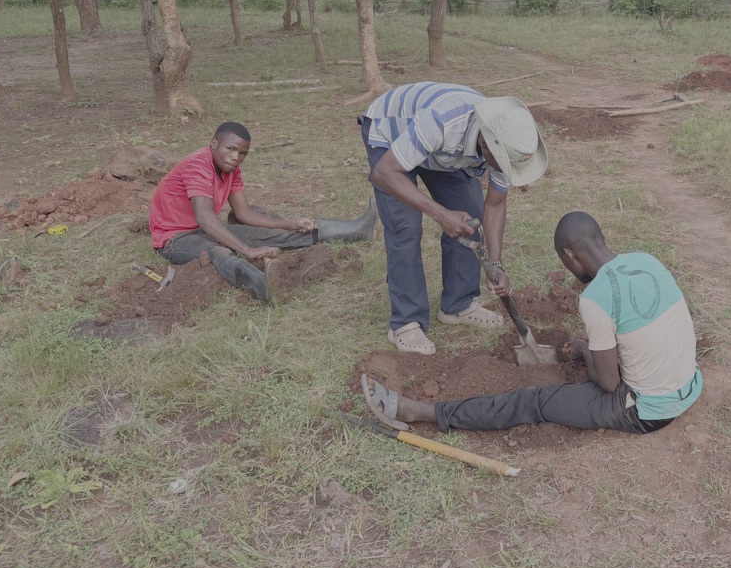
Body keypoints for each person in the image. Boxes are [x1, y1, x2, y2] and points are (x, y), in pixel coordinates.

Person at [361, 211, 702, 435]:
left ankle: (422, 411)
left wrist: (584, 350)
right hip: (688, 385)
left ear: (570, 255)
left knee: (532, 401)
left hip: (646, 410)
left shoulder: (596, 298)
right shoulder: (645, 261)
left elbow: (610, 384)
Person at [358, 82, 548, 355]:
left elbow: (494, 206)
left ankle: (458, 305)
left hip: (441, 151)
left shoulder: (506, 143)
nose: (508, 171)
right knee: (406, 226)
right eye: (504, 165)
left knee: (469, 216)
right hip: (391, 134)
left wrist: (496, 264)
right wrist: (441, 214)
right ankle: (406, 322)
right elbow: (384, 173)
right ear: (486, 145)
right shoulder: (443, 122)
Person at [149, 121, 376, 302]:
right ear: (214, 143)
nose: (236, 157)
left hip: (204, 230)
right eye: (230, 149)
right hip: (174, 239)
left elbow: (244, 213)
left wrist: (289, 224)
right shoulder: (198, 165)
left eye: (242, 153)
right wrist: (247, 250)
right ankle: (264, 287)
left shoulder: (231, 169)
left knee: (267, 234)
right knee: (218, 252)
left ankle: (356, 231)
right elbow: (204, 216)